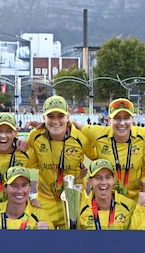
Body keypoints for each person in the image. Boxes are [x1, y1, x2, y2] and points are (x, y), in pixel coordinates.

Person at [27, 95, 95, 229]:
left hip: (75, 199)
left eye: (60, 116)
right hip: (45, 200)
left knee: (75, 246)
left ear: (68, 116)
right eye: (51, 116)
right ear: (44, 118)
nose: (55, 121)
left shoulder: (81, 138)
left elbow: (99, 158)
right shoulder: (35, 137)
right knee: (42, 245)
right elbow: (26, 160)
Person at [70, 98, 145, 202]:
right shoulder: (98, 133)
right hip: (106, 201)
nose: (122, 123)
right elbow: (73, 124)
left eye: (126, 118)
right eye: (117, 118)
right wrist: (45, 125)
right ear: (109, 119)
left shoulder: (144, 135)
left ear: (132, 119)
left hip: (133, 201)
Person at [77, 159, 139, 230]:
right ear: (90, 181)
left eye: (108, 177)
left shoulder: (130, 206)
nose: (103, 182)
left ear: (114, 180)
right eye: (98, 178)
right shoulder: (81, 209)